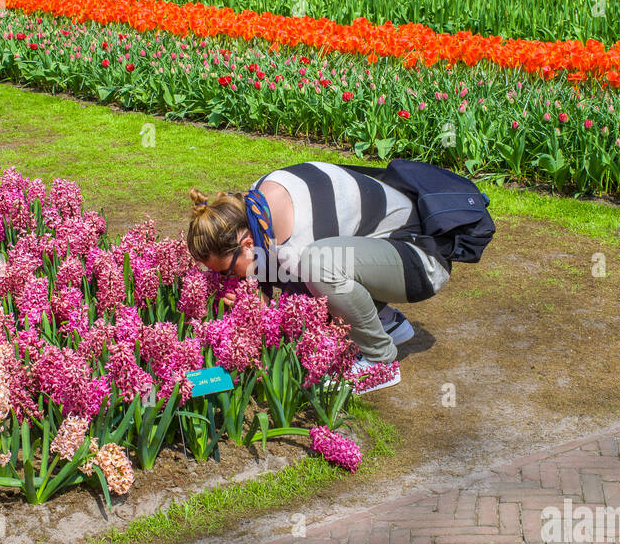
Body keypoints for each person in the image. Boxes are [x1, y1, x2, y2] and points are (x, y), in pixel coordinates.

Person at [186, 161, 464, 392]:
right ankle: (387, 323)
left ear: (246, 244)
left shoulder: (295, 241)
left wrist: (260, 314)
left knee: (318, 265)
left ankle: (380, 361)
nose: (226, 279)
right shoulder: (258, 204)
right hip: (387, 253)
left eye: (224, 271)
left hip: (422, 262)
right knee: (313, 267)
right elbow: (272, 265)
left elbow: (310, 309)